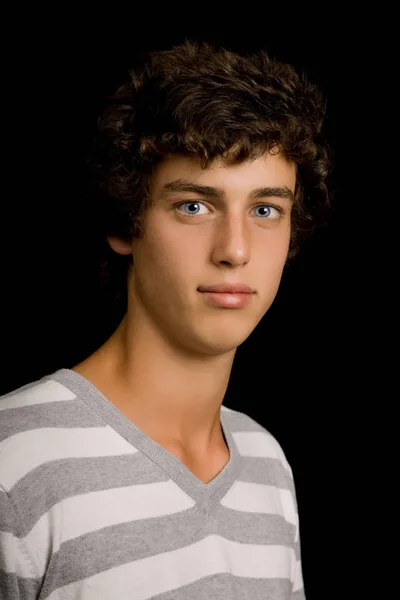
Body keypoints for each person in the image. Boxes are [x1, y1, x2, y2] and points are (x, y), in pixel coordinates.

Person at [0, 40, 331, 599]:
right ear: (124, 222)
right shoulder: (14, 461)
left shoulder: (267, 464)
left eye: (265, 209)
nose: (235, 250)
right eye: (194, 206)